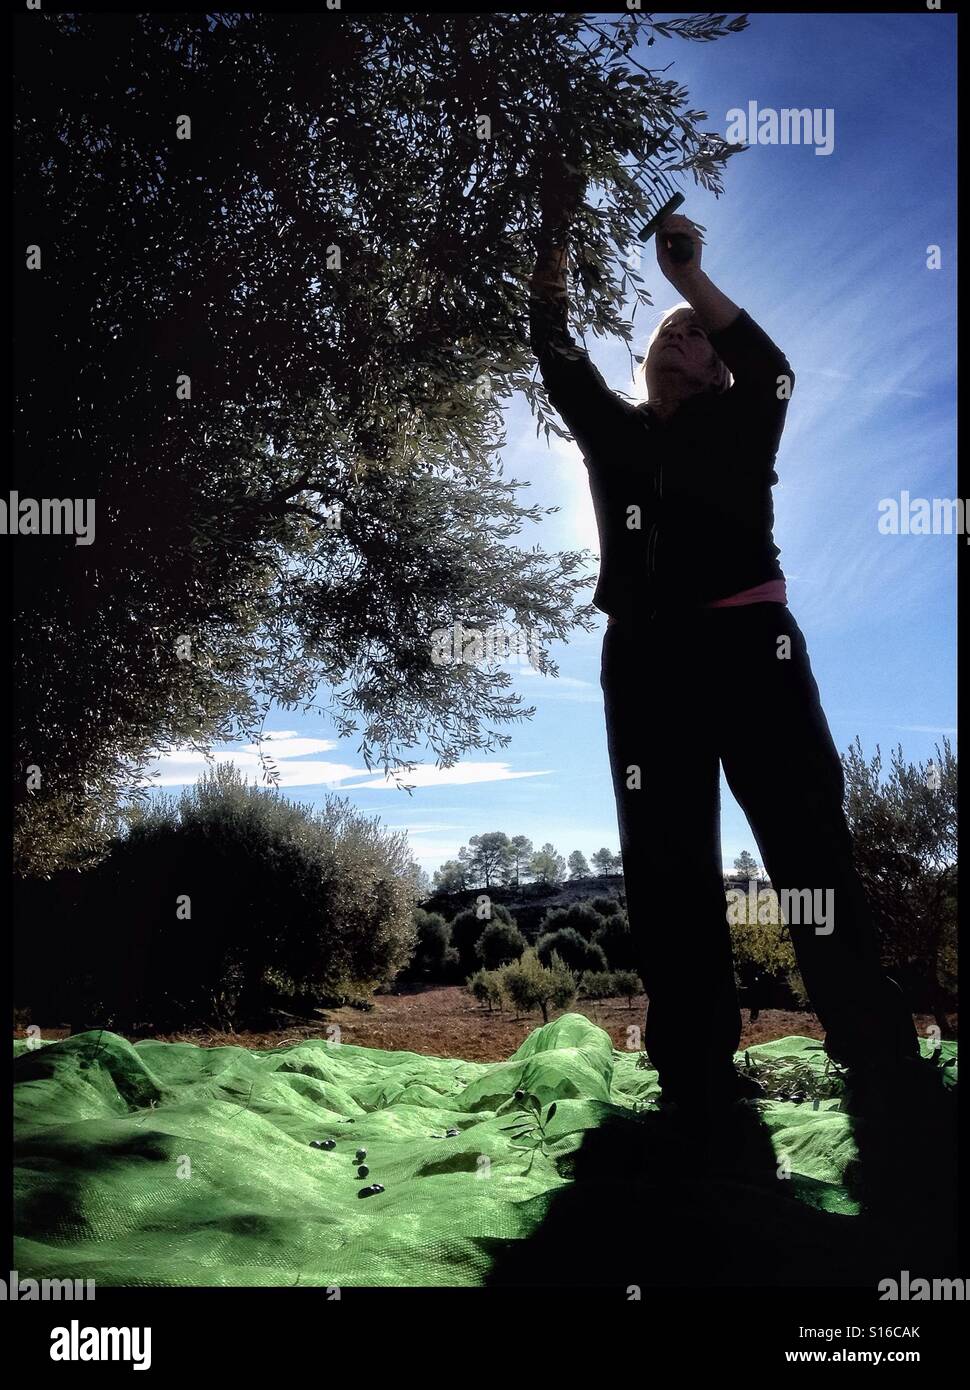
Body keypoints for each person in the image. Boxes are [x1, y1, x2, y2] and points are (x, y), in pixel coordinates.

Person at [528, 149, 927, 1114]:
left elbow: (776, 370)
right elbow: (553, 347)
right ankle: (694, 1062)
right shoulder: (616, 434)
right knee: (665, 861)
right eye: (665, 335)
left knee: (806, 847)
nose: (680, 341)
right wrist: (557, 232)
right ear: (648, 364)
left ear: (715, 368)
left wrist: (686, 276)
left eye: (695, 338)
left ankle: (868, 1040)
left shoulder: (747, 425)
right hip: (648, 662)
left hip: (757, 653)